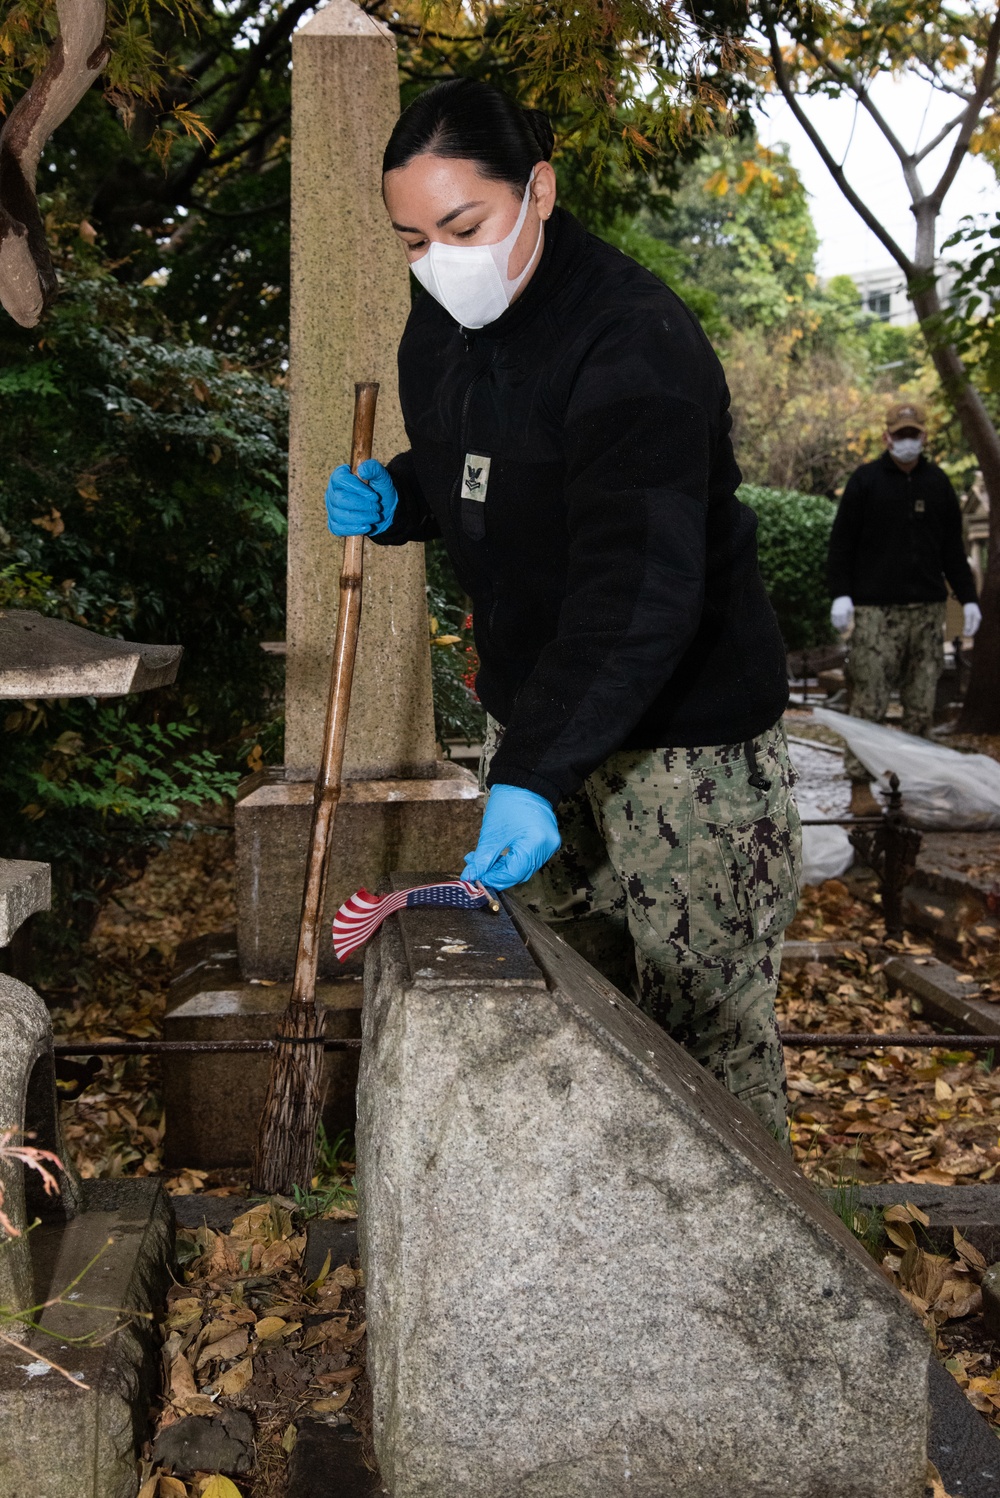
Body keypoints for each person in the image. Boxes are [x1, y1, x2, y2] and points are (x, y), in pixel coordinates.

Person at [325, 79, 800, 1141]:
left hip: (685, 742)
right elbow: (485, 466)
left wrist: (534, 777)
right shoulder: (444, 319)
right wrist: (406, 495)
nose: (439, 260)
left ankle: (751, 1287)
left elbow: (637, 588)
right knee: (566, 1005)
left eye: (464, 226)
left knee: (699, 1024)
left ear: (537, 190)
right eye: (411, 239)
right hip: (536, 712)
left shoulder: (634, 341)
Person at [827, 401, 981, 814]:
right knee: (869, 700)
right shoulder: (865, 481)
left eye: (915, 434)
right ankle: (860, 786)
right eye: (901, 434)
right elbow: (842, 543)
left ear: (924, 437)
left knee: (921, 703)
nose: (908, 441)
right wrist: (840, 593)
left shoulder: (938, 484)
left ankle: (918, 784)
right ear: (887, 437)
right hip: (877, 611)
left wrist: (967, 597)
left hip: (928, 610)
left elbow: (953, 548)